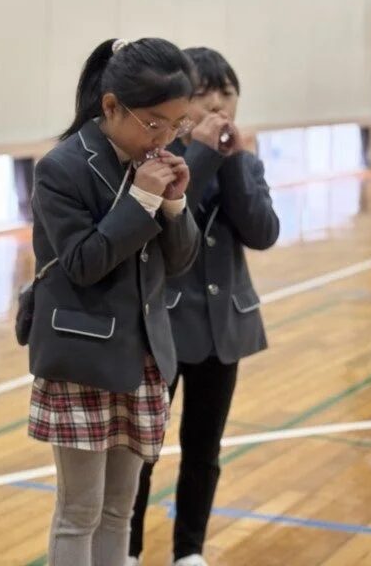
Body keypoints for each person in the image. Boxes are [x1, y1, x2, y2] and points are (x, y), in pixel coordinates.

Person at [25, 37, 200, 565]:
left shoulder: (156, 161)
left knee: (121, 510)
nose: (165, 138)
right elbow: (83, 263)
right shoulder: (62, 167)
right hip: (83, 357)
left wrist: (174, 205)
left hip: (143, 356)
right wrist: (142, 199)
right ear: (111, 106)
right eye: (154, 123)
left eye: (176, 124)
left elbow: (181, 261)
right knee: (79, 511)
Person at [127, 47, 280, 566]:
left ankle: (189, 551)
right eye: (203, 93)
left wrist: (232, 161)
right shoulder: (158, 163)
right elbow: (168, 217)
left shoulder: (245, 161)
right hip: (165, 326)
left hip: (222, 329)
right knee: (143, 449)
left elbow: (262, 231)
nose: (218, 104)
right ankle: (128, 549)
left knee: (204, 449)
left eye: (227, 92)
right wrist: (205, 154)